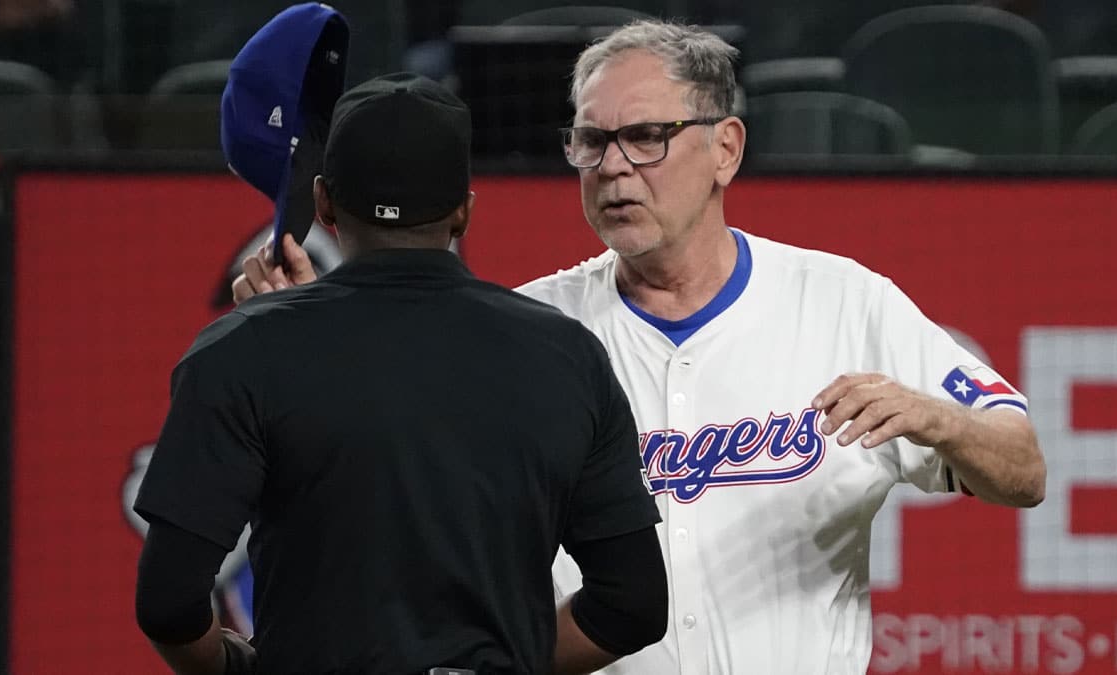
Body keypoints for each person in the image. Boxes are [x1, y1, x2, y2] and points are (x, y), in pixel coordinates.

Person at [233, 20, 1047, 675]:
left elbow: (1023, 470)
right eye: (592, 142)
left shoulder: (840, 301)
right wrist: (302, 334)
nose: (615, 167)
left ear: (725, 148)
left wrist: (941, 420)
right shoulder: (528, 331)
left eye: (648, 137)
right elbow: (381, 467)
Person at [134, 72, 668, 675]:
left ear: (325, 203)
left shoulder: (240, 351)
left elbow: (169, 603)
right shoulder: (567, 354)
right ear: (464, 212)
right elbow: (635, 605)